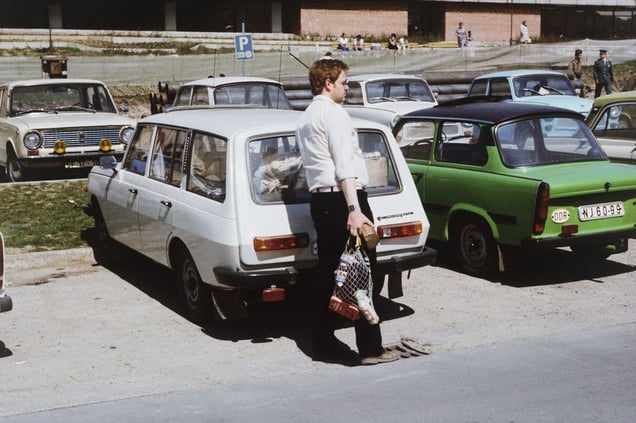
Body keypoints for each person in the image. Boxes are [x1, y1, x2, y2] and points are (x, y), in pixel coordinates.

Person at [295, 58, 399, 366]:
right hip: (344, 199)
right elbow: (344, 165)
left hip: (321, 201)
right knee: (363, 273)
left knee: (331, 273)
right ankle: (370, 348)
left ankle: (323, 342)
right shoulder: (334, 114)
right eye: (344, 82)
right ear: (328, 83)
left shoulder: (306, 116)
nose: (347, 87)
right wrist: (354, 209)